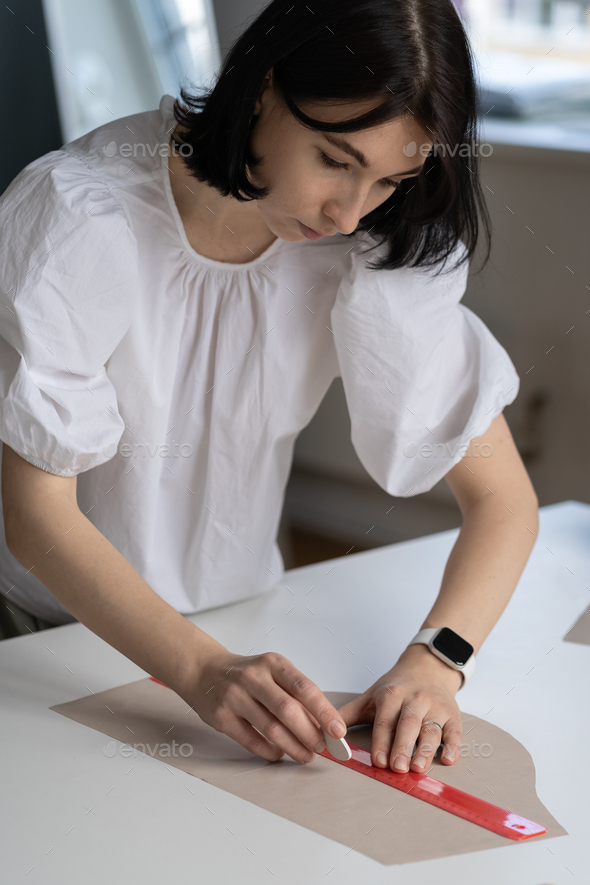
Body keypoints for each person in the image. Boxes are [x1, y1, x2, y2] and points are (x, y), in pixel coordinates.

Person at [0, 0, 538, 776]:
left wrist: (436, 658)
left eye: (392, 178)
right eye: (335, 159)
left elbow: (505, 501)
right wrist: (196, 669)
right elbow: (34, 516)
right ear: (261, 87)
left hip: (237, 620)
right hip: (44, 633)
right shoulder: (79, 215)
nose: (349, 210)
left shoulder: (365, 245)